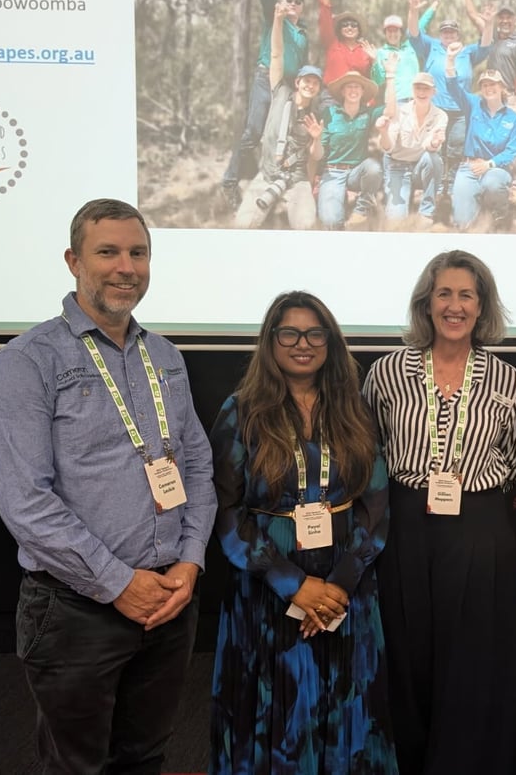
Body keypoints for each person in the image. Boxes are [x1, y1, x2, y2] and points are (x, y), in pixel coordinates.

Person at [0, 198, 217, 773]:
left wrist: (189, 562)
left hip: (168, 602)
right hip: (75, 610)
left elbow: (199, 469)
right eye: (107, 252)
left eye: (138, 253)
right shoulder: (27, 362)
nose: (125, 267)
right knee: (76, 765)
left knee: (144, 757)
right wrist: (116, 584)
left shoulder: (165, 357)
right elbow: (26, 504)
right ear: (72, 260)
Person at [208, 291, 397, 774]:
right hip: (268, 595)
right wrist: (295, 585)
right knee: (278, 717)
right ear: (270, 342)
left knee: (345, 710)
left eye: (315, 333)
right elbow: (227, 511)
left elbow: (375, 505)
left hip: (346, 592)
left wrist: (338, 586)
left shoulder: (354, 408)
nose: (302, 344)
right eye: (289, 333)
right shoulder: (242, 412)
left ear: (330, 342)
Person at [362, 250, 516, 775]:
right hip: (405, 525)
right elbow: (367, 448)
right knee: (407, 656)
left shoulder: (508, 380)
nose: (454, 306)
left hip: (480, 529)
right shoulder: (388, 372)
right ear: (426, 303)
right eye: (444, 294)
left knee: (475, 661)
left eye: (466, 295)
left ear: (482, 307)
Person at [221, 0, 309, 210]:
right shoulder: (275, 18)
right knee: (253, 133)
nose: (292, 3)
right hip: (265, 79)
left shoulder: (303, 35)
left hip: (287, 85)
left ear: (302, 8)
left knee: (281, 135)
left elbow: (302, 65)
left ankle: (276, 181)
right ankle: (230, 182)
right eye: (289, 0)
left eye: (297, 1)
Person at [236, 0, 325, 230]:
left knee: (306, 226)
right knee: (243, 224)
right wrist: (277, 20)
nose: (310, 86)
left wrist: (316, 138)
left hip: (296, 181)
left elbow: (316, 157)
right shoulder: (280, 93)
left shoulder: (316, 115)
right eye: (307, 80)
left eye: (315, 83)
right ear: (298, 82)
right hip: (267, 174)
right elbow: (276, 54)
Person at [407, 0, 495, 190]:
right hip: (435, 110)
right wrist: (413, 11)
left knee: (456, 150)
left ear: (457, 35)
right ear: (440, 34)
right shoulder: (431, 46)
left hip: (460, 112)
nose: (448, 34)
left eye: (452, 31)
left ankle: (452, 187)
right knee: (435, 149)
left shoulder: (467, 52)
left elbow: (486, 43)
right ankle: (435, 188)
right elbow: (413, 33)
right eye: (445, 31)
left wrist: (489, 24)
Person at [444, 44, 516, 230]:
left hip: (494, 169)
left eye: (493, 84)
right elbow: (453, 87)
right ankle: (475, 211)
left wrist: (489, 164)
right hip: (469, 167)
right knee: (462, 223)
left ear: (502, 87)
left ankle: (500, 213)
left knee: (492, 183)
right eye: (485, 85)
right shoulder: (473, 104)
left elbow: (511, 151)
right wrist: (451, 60)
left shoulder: (513, 118)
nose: (489, 88)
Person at [376, 52, 447, 226]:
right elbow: (388, 147)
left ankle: (427, 211)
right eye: (418, 88)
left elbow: (429, 146)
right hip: (397, 167)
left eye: (426, 89)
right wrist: (384, 132)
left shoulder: (440, 116)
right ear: (412, 90)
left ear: (433, 92)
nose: (421, 92)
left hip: (419, 167)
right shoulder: (399, 111)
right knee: (396, 223)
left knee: (434, 159)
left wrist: (435, 143)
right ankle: (400, 201)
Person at [313, 70, 384, 229]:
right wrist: (316, 139)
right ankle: (343, 216)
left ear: (363, 91)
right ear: (343, 91)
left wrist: (391, 75)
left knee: (374, 168)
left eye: (357, 86)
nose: (353, 90)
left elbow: (391, 110)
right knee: (331, 223)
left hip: (357, 172)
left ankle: (361, 209)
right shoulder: (329, 113)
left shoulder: (369, 113)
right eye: (349, 86)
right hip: (333, 172)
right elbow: (317, 156)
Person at [317, 0, 374, 86]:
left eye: (354, 25)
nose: (349, 27)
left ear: (359, 30)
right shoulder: (332, 43)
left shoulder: (365, 49)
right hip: (332, 97)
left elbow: (372, 79)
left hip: (357, 96)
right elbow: (325, 16)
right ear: (339, 29)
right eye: (345, 25)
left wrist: (374, 61)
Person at [487, 5, 516, 111]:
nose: (505, 21)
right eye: (502, 18)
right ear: (497, 20)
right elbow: (474, 18)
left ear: (515, 20)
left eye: (508, 17)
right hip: (490, 97)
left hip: (509, 98)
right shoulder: (491, 38)